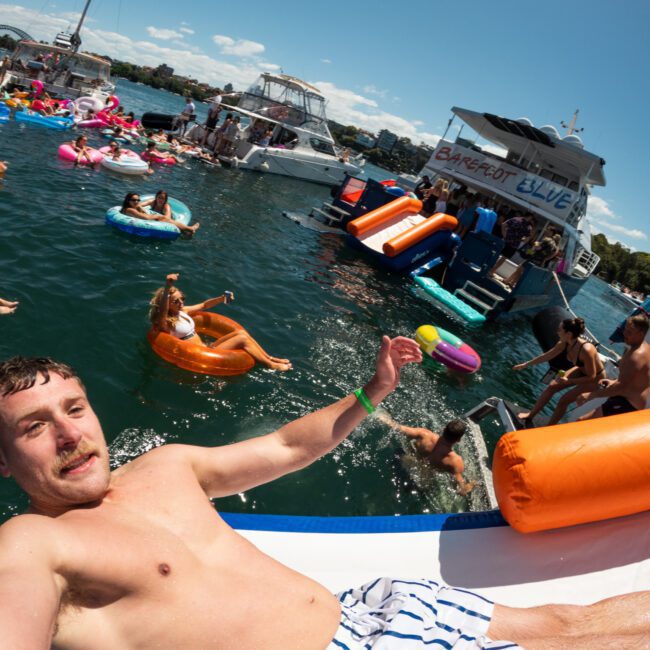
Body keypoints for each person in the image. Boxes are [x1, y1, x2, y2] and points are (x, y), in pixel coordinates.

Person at [1, 351, 650, 648]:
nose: (68, 434)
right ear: (4, 462)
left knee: (570, 623)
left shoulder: (166, 467)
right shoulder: (34, 543)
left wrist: (372, 392)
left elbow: (286, 447)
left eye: (75, 408)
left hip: (375, 609)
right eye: (35, 427)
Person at [150, 273, 291, 371]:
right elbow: (162, 311)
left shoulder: (183, 312)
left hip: (207, 347)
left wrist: (222, 298)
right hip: (200, 354)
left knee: (241, 332)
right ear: (167, 304)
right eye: (176, 301)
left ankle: (271, 358)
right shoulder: (165, 322)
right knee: (242, 339)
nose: (181, 302)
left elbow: (204, 305)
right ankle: (270, 365)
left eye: (182, 298)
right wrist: (167, 286)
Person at [513, 317, 606, 426]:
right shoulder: (564, 342)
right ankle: (531, 415)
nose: (557, 332)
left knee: (563, 401)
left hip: (595, 379)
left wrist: (568, 381)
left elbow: (592, 376)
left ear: (569, 334)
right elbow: (548, 355)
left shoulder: (586, 349)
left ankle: (550, 427)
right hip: (581, 370)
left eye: (560, 330)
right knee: (552, 386)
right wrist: (526, 364)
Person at [378, 413, 476, 495]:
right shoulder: (455, 461)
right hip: (423, 480)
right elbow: (461, 491)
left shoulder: (424, 434)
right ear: (458, 440)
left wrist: (379, 415)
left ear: (444, 430)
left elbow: (396, 427)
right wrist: (473, 484)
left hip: (406, 462)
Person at [577, 314, 650, 418]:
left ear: (641, 334)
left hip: (628, 404)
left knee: (582, 422)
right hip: (626, 399)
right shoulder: (642, 348)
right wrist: (613, 381)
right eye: (625, 330)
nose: (624, 334)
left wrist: (590, 395)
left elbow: (620, 387)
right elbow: (633, 379)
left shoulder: (636, 356)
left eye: (629, 332)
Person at [121, 191, 199, 235]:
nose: (136, 202)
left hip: (167, 218)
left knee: (165, 219)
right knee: (162, 218)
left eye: (138, 200)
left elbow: (168, 217)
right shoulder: (131, 209)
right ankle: (189, 229)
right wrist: (156, 216)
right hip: (154, 218)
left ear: (165, 200)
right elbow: (145, 215)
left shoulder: (166, 206)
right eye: (134, 200)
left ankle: (186, 230)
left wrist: (141, 209)